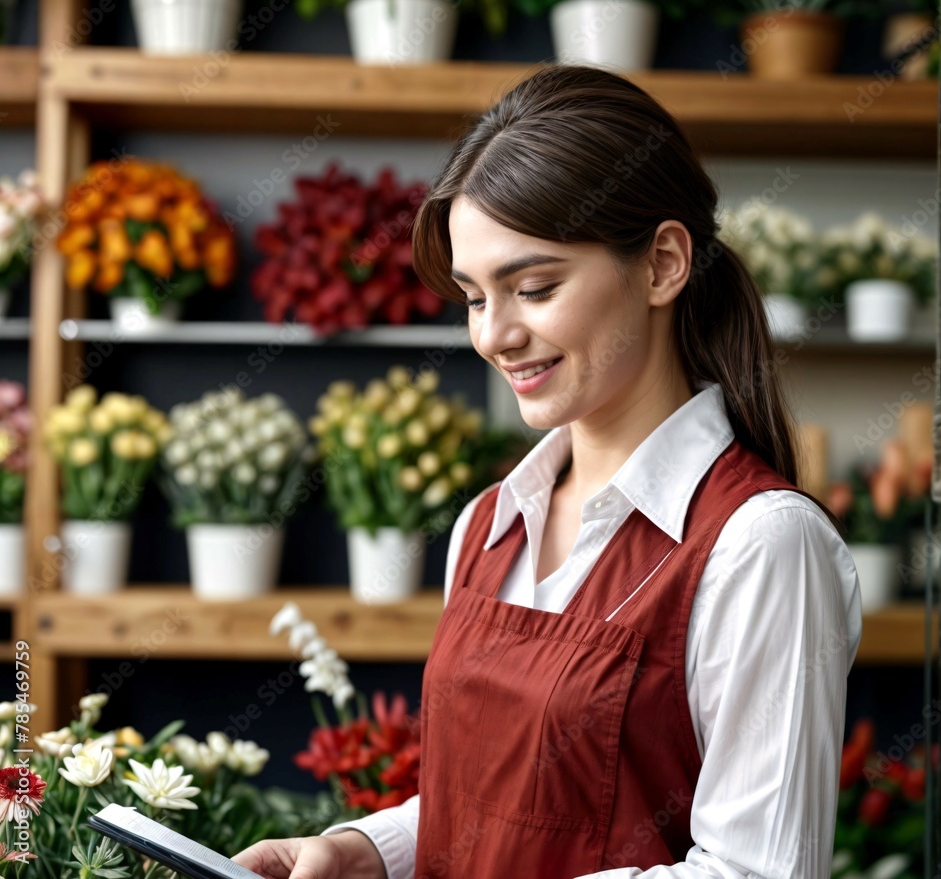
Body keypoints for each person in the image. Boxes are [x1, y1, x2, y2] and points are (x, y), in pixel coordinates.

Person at [233, 64, 862, 879]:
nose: (494, 335)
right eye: (471, 297)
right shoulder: (490, 522)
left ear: (663, 264)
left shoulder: (762, 544)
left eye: (532, 287)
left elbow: (756, 871)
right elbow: (502, 802)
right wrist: (368, 852)